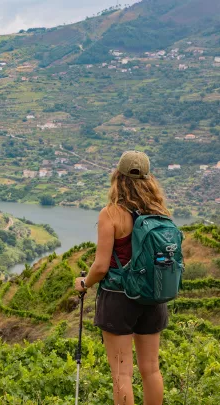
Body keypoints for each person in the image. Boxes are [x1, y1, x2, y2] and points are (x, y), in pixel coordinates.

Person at [75, 151, 171, 405]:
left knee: (121, 374)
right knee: (151, 370)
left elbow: (100, 267)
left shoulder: (111, 214)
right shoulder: (160, 212)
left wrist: (84, 284)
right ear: (149, 179)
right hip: (153, 295)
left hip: (119, 299)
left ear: (117, 176)